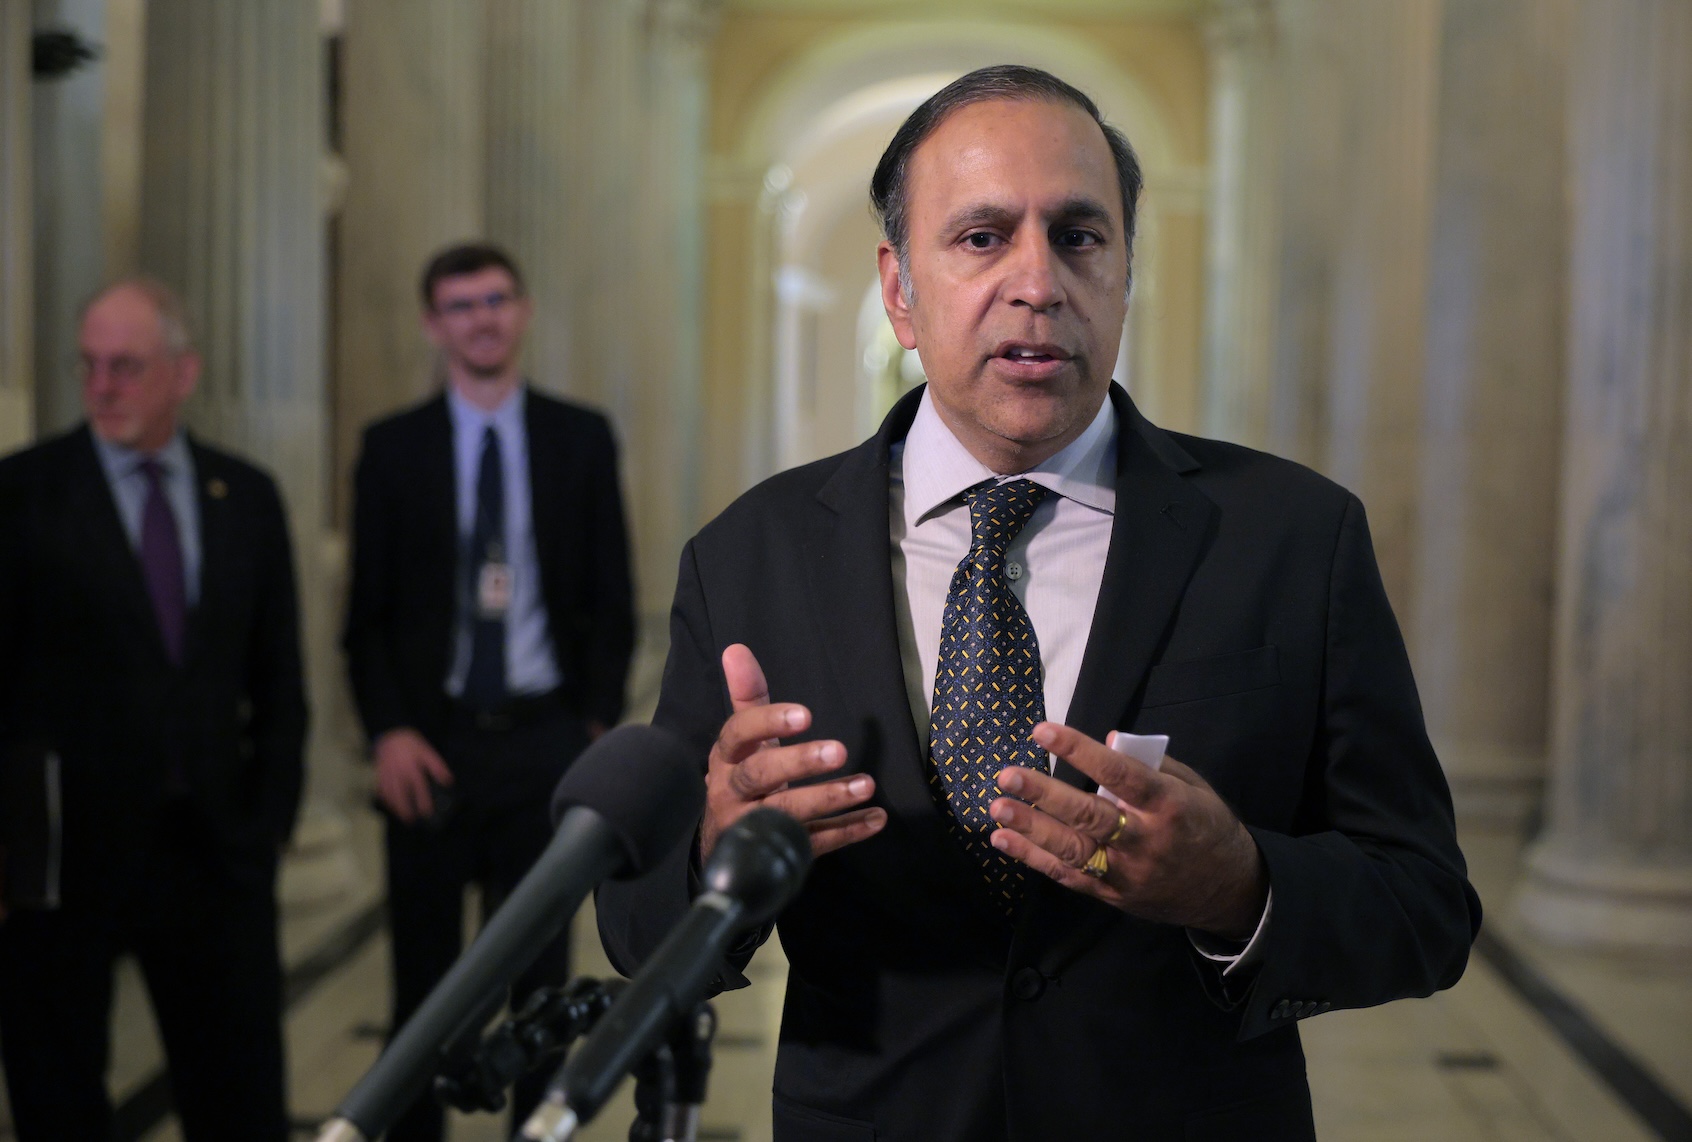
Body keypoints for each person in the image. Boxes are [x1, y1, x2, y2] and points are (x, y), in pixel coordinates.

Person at [596, 65, 1480, 1142]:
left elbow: (1426, 907)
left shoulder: (1293, 537)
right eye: (981, 237)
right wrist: (715, 846)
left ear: (1124, 270)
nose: (1038, 280)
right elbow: (636, 926)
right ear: (897, 287)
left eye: (1079, 235)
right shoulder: (750, 556)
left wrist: (1241, 884)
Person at [0, 278, 306, 1141]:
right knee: (57, 1094)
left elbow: (280, 677)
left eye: (127, 366)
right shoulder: (22, 493)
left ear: (183, 371)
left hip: (214, 851)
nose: (102, 386)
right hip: (62, 855)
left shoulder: (245, 495)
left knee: (238, 1098)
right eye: (89, 365)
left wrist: (271, 818)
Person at [342, 242, 635, 1141]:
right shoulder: (392, 450)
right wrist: (388, 731)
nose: (483, 318)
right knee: (425, 996)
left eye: (497, 300)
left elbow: (612, 596)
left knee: (541, 987)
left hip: (544, 742)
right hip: (431, 745)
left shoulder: (578, 437)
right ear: (436, 325)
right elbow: (366, 618)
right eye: (462, 306)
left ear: (523, 311)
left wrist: (592, 727)